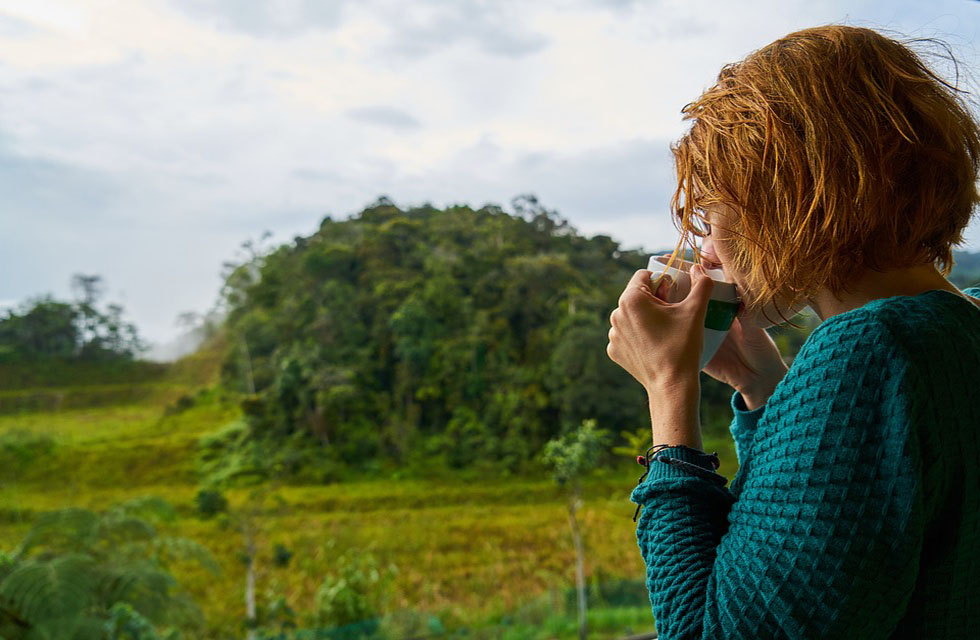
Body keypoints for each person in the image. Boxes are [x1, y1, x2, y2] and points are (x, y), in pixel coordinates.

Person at [605, 24, 980, 639]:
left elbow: (711, 632)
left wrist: (669, 395)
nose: (704, 248)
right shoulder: (957, 325)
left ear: (785, 200)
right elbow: (830, 544)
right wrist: (762, 384)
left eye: (710, 212)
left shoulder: (868, 352)